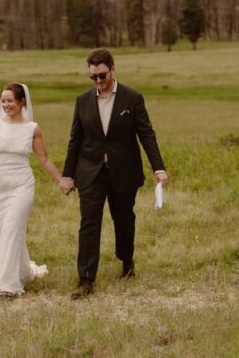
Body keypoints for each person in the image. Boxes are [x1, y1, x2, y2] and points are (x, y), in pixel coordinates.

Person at [61, 48, 167, 299]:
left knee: (124, 220)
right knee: (88, 224)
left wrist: (158, 168)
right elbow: (75, 140)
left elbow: (146, 134)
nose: (98, 82)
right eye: (93, 77)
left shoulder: (132, 98)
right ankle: (86, 279)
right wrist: (67, 175)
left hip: (123, 171)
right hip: (91, 172)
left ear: (113, 70)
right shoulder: (83, 101)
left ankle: (126, 261)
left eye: (102, 76)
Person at [0, 83, 64, 297]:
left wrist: (61, 180)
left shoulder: (32, 128)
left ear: (22, 102)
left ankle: (7, 286)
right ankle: (20, 271)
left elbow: (43, 158)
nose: (6, 104)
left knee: (12, 230)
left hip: (21, 187)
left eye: (10, 100)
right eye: (3, 101)